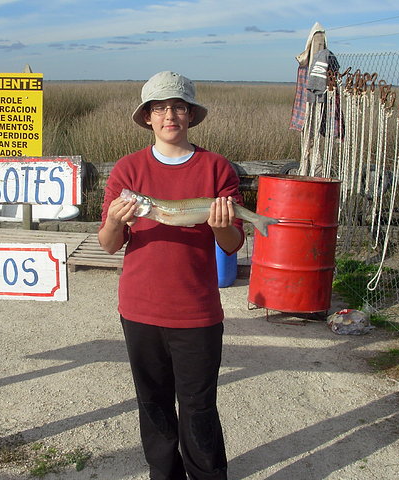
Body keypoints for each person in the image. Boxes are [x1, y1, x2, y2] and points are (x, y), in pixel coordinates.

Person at [98, 71, 244, 480]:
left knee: (198, 405)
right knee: (153, 402)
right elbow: (110, 244)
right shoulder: (127, 171)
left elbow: (232, 244)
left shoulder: (216, 168)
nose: (169, 116)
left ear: (191, 115)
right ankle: (163, 474)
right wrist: (113, 218)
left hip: (196, 312)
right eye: (159, 108)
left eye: (178, 106)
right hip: (140, 309)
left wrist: (219, 224)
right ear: (147, 117)